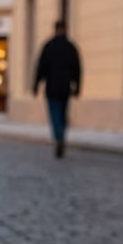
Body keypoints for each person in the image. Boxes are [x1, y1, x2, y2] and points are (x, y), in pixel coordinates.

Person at [33, 19, 82, 158]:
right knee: (63, 113)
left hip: (52, 87)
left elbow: (40, 67)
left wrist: (36, 85)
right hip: (65, 87)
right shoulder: (70, 47)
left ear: (55, 29)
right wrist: (77, 87)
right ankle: (61, 136)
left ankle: (58, 136)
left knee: (55, 114)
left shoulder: (49, 46)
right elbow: (77, 69)